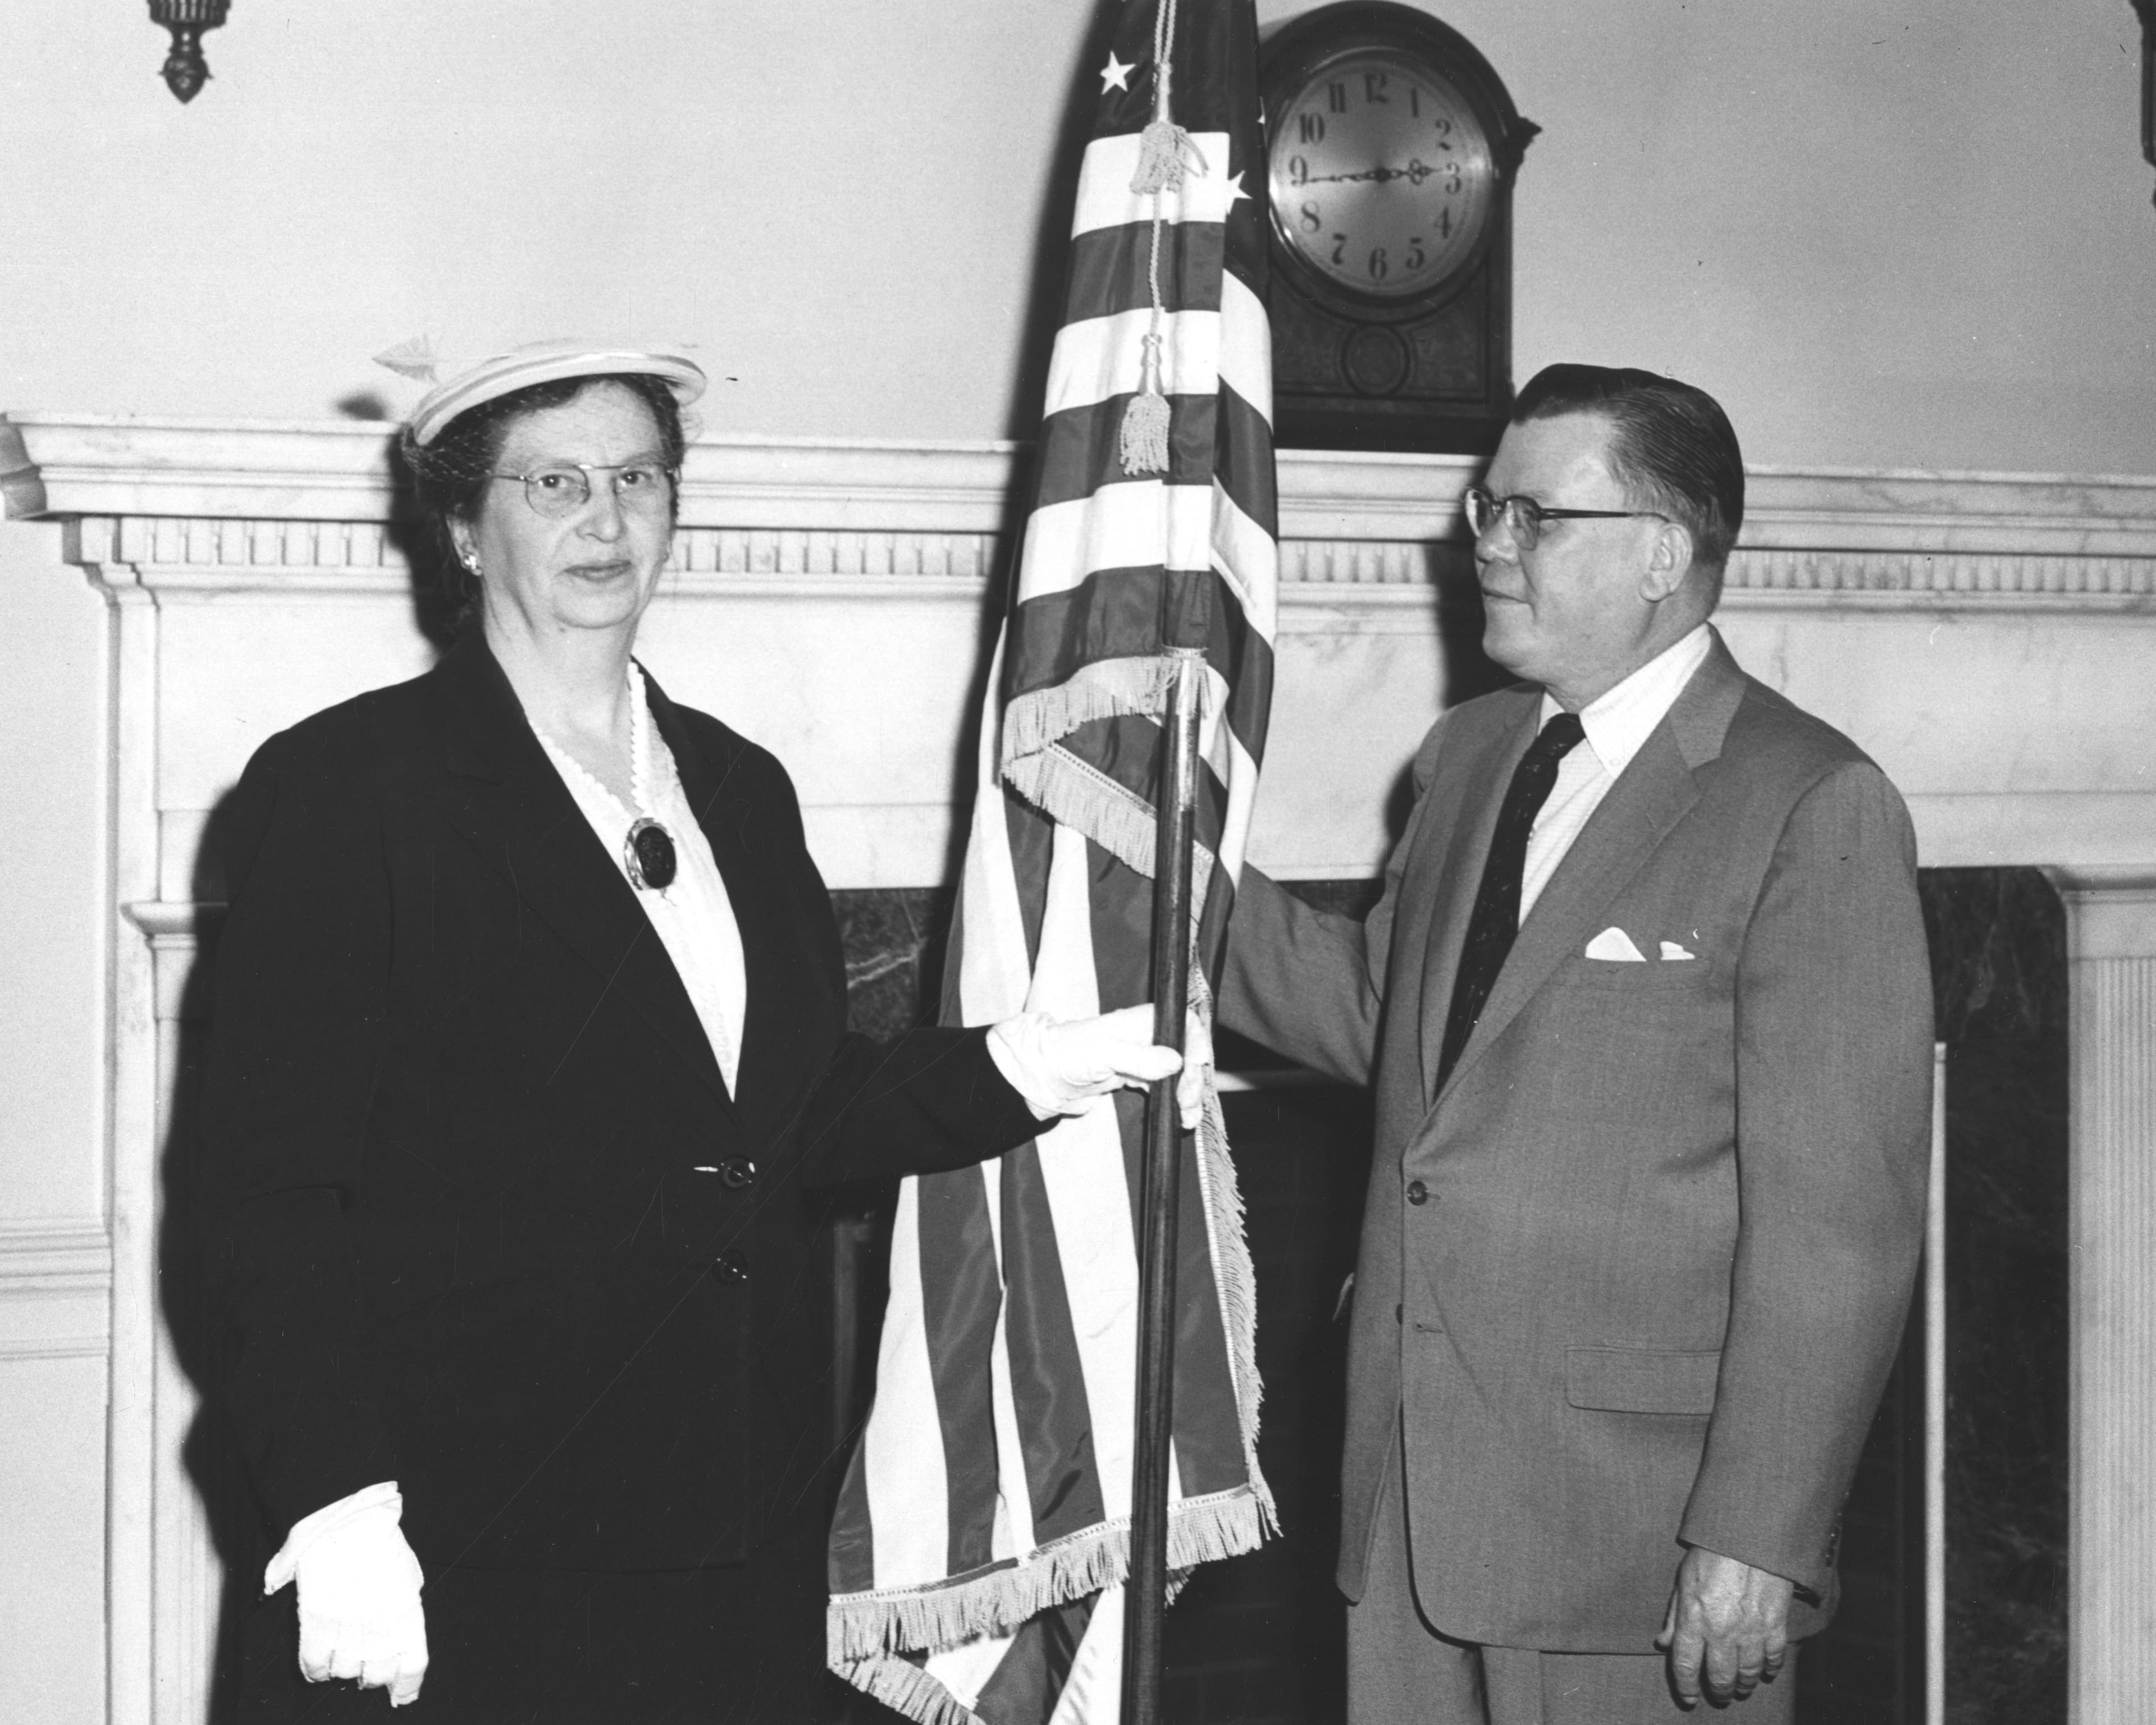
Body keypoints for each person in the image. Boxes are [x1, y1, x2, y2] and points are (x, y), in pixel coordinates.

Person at [199, 339, 1189, 1721]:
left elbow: (784, 1114)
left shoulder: (737, 781)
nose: (605, 519)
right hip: (465, 1521)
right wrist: (336, 1496)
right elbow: (265, 1195)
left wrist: (1009, 1068)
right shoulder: (350, 786)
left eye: (636, 476)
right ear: (465, 531)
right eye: (553, 483)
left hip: (737, 1506)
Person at [1217, 364, 1933, 1723]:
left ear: (1663, 552)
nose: (1487, 539)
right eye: (1489, 505)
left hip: (1638, 1540)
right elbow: (1393, 1025)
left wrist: (1756, 1537)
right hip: (1410, 1499)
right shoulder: (1473, 756)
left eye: (1533, 515)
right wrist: (1163, 859)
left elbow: (1838, 1227)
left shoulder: (1808, 804)